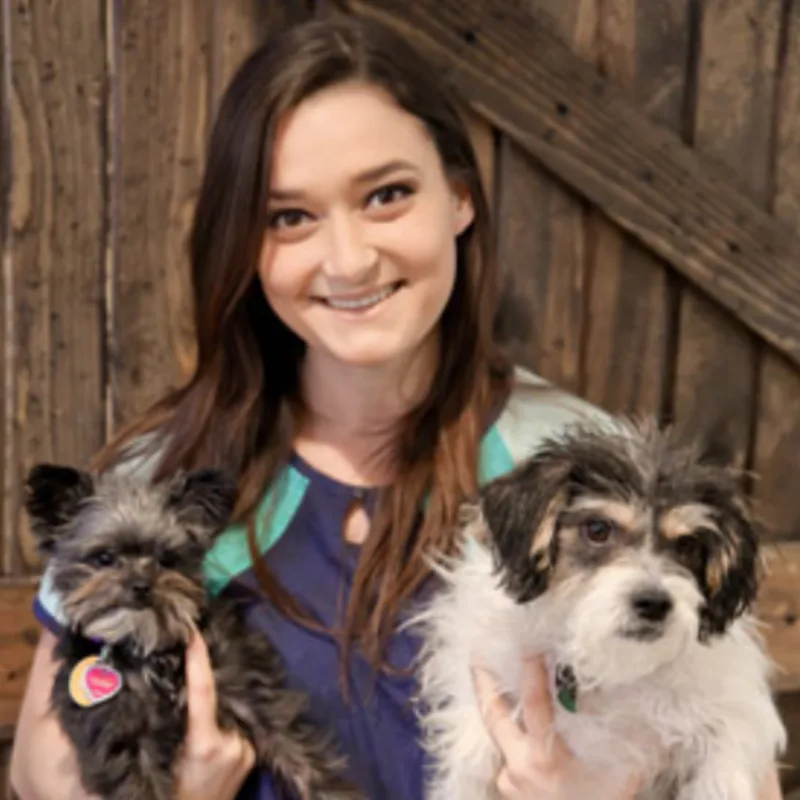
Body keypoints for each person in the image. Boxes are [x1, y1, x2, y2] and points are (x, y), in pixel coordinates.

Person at [9, 15, 784, 800]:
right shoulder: (164, 472)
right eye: (289, 217)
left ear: (459, 198)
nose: (348, 260)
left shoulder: (589, 474)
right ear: (244, 241)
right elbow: (37, 771)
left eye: (387, 195)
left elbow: (734, 756)